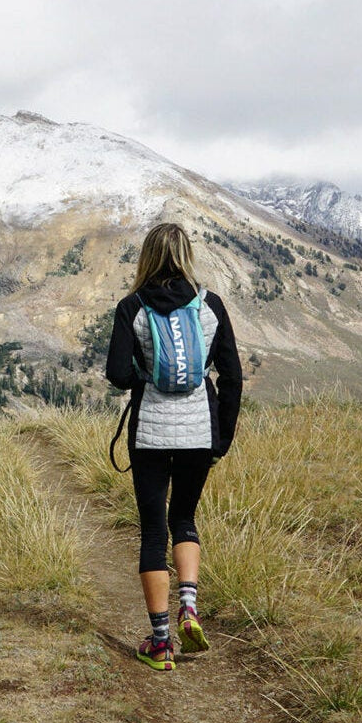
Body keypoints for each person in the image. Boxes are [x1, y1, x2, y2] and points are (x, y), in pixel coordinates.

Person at [104, 222, 243, 671]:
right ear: (186, 256)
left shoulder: (133, 307)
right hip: (200, 431)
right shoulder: (210, 306)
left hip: (149, 434)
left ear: (147, 257)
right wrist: (222, 437)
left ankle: (160, 642)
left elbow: (117, 373)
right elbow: (232, 376)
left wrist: (144, 374)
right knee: (183, 517)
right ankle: (189, 605)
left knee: (151, 532)